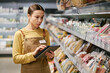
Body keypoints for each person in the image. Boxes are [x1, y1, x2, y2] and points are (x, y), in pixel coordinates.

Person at [12, 4, 54, 73]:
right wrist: (33, 55)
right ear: (29, 16)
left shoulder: (45, 32)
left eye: (42, 17)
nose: (40, 20)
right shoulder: (20, 34)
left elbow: (48, 58)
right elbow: (16, 59)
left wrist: (51, 57)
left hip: (45, 70)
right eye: (37, 17)